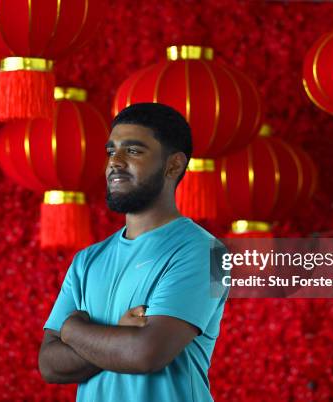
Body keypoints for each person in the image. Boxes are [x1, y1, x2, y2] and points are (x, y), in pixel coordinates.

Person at [39, 102, 228, 402]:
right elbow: (49, 364)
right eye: (111, 151)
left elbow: (146, 353)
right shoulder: (86, 261)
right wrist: (117, 334)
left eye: (134, 151)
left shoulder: (210, 254)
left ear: (174, 165)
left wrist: (73, 330)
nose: (115, 161)